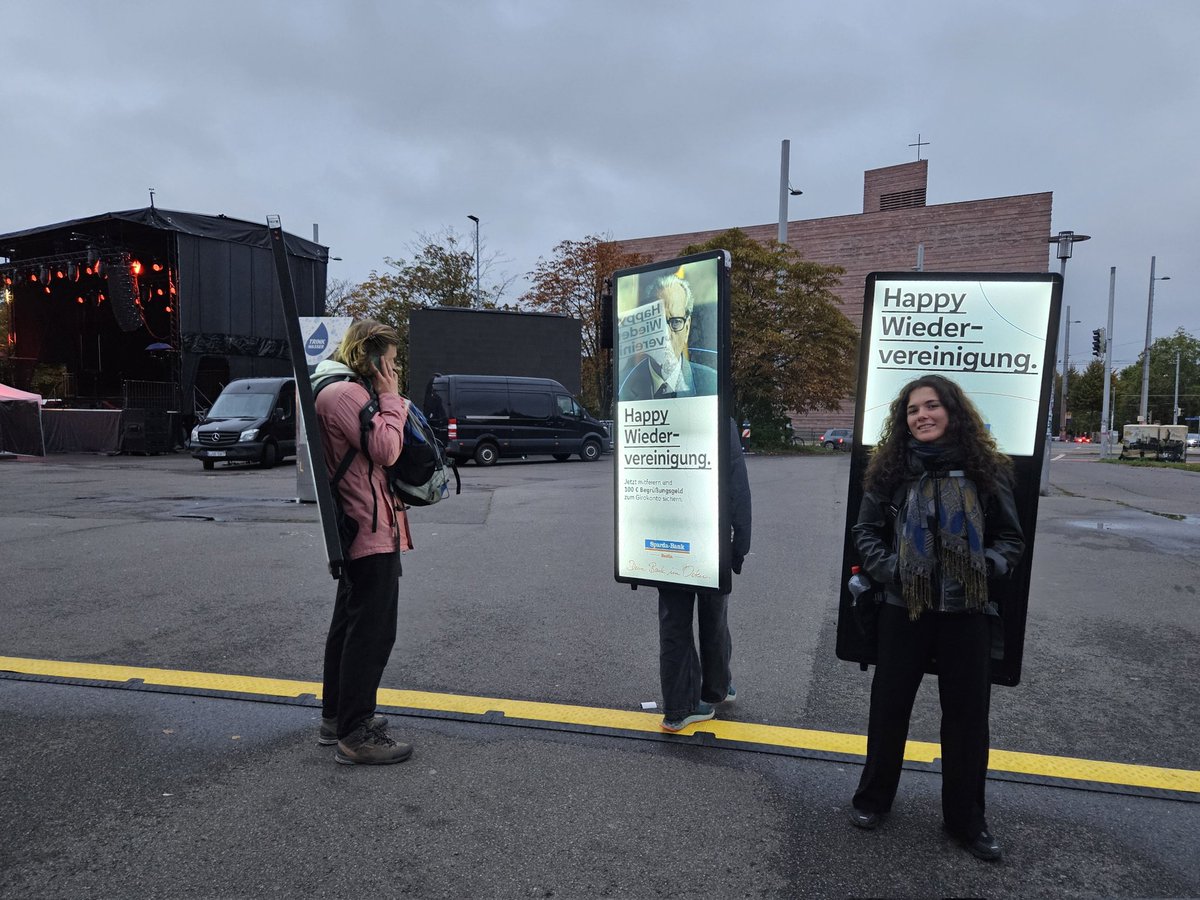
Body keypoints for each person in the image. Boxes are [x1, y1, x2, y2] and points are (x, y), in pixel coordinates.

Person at [848, 374, 1024, 860]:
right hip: (903, 608)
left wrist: (985, 566)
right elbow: (865, 531)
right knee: (889, 709)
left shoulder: (987, 470)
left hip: (967, 611)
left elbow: (1011, 539)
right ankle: (872, 800)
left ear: (952, 411)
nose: (921, 416)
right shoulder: (891, 470)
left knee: (967, 720)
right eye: (912, 410)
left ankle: (966, 821)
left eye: (931, 406)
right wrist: (893, 570)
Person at [311, 319, 414, 766]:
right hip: (368, 527)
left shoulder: (331, 388)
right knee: (371, 634)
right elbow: (387, 449)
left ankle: (338, 717)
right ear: (371, 359)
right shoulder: (347, 394)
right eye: (389, 361)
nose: (394, 370)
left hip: (357, 524)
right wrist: (391, 398)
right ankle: (356, 733)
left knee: (348, 628)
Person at [658, 417, 752, 731]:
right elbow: (737, 484)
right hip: (710, 538)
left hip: (666, 537)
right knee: (714, 618)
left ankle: (678, 708)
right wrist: (740, 544)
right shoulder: (719, 418)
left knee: (673, 621)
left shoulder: (660, 415)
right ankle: (716, 689)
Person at [618, 272, 717, 401]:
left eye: (675, 322)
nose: (665, 334)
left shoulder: (711, 383)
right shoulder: (623, 386)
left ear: (687, 329)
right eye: (658, 322)